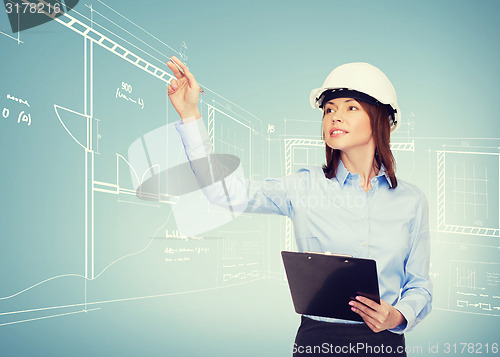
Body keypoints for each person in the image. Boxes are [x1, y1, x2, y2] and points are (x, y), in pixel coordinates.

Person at [166, 56, 432, 357]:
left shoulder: (411, 200)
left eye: (350, 107)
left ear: (381, 118)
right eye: (329, 109)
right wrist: (190, 115)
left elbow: (420, 285)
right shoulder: (303, 187)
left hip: (385, 345)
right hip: (317, 342)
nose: (335, 116)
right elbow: (223, 192)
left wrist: (397, 316)